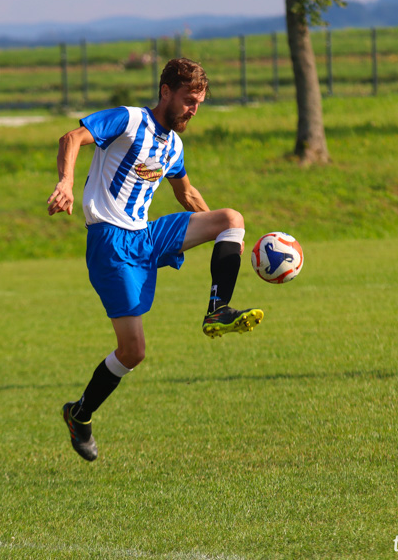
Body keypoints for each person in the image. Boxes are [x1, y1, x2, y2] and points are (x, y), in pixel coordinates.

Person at [48, 58, 263, 462]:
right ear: (166, 92)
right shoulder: (128, 120)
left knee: (231, 218)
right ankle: (79, 415)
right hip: (110, 243)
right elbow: (71, 138)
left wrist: (228, 239)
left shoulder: (173, 146)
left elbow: (186, 195)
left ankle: (217, 310)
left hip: (146, 235)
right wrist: (65, 183)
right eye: (188, 100)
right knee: (133, 352)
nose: (192, 110)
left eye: (198, 103)